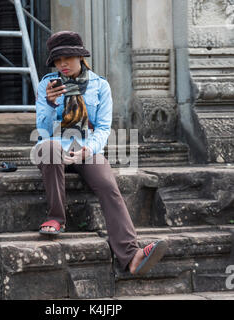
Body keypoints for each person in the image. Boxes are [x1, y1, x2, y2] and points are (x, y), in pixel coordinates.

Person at [33, 31, 167, 275]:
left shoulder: (100, 85)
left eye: (68, 58)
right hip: (53, 144)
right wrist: (51, 104)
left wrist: (88, 150)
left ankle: (131, 254)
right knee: (49, 148)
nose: (62, 64)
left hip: (85, 147)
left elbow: (104, 128)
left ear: (81, 57)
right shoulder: (47, 85)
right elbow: (42, 129)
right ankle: (56, 218)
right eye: (57, 60)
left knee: (107, 184)